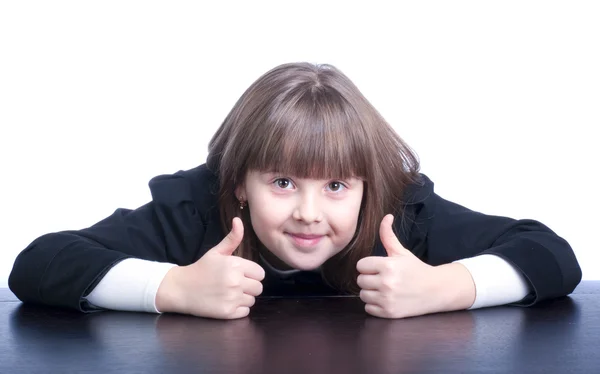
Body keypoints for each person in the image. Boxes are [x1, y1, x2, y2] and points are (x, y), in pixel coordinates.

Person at [8, 62, 582, 320]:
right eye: (282, 182)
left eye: (335, 185)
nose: (309, 213)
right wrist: (172, 286)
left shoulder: (401, 213)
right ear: (238, 183)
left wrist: (447, 286)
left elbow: (551, 253)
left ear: (365, 186)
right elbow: (38, 264)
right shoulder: (190, 208)